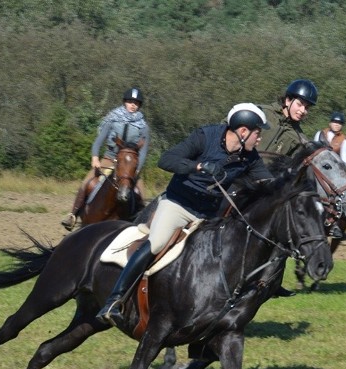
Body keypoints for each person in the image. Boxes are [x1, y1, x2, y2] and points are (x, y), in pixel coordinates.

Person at [96, 103, 272, 327]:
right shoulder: (204, 137)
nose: (259, 138)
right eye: (258, 132)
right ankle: (115, 300)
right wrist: (199, 167)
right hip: (178, 205)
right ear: (243, 131)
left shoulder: (250, 157)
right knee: (157, 243)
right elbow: (166, 160)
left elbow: (269, 183)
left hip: (208, 216)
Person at [256, 79, 319, 297]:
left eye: (307, 108)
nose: (304, 111)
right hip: (236, 176)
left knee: (286, 223)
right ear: (287, 100)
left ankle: (273, 279)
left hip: (264, 189)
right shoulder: (261, 114)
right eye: (300, 104)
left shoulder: (299, 139)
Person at [62, 87, 150, 231]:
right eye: (130, 102)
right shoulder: (112, 119)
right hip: (110, 158)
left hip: (129, 165)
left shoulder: (144, 127)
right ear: (124, 102)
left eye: (136, 103)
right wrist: (95, 158)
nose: (133, 105)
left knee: (140, 192)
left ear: (139, 105)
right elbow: (98, 141)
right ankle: (73, 215)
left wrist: (137, 168)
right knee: (87, 182)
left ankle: (141, 223)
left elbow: (144, 151)